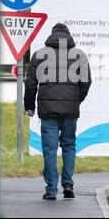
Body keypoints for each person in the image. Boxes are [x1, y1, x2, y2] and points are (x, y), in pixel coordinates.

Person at [24, 23, 92, 200]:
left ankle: (51, 189)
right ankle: (68, 184)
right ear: (68, 36)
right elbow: (86, 83)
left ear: (52, 36)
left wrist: (29, 106)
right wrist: (76, 100)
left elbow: (30, 85)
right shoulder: (80, 56)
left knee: (50, 149)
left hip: (48, 111)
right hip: (70, 110)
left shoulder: (39, 55)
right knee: (69, 145)